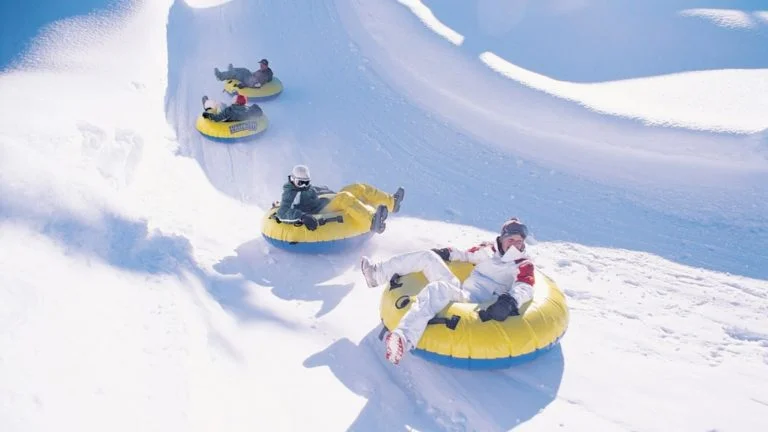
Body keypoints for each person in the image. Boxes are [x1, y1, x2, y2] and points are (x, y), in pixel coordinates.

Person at [360, 218, 535, 365]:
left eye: (519, 241)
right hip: (462, 290)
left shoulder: (523, 264)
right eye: (511, 240)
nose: (515, 244)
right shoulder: (489, 250)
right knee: (427, 256)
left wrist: (510, 301)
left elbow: (525, 287)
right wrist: (446, 253)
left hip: (475, 303)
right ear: (502, 238)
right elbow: (465, 255)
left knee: (437, 289)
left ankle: (403, 339)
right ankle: (376, 274)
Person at [276, 164, 405, 234]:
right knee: (344, 198)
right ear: (293, 179)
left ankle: (391, 202)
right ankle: (372, 221)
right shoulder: (290, 193)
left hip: (324, 204)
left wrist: (327, 191)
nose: (304, 186)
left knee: (358, 187)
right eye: (300, 183)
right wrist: (303, 216)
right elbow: (282, 212)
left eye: (307, 182)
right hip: (319, 213)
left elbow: (314, 192)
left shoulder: (306, 188)